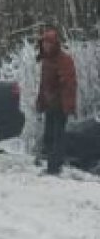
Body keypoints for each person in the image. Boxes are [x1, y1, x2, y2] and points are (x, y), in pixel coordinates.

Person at [36, 27, 78, 176]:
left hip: (60, 104)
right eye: (44, 43)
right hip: (49, 104)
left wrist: (58, 93)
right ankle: (51, 164)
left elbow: (69, 82)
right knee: (48, 136)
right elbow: (43, 83)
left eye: (49, 43)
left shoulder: (64, 60)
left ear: (54, 44)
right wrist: (40, 100)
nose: (46, 46)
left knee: (57, 136)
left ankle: (55, 167)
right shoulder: (46, 61)